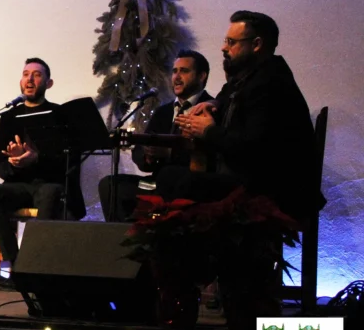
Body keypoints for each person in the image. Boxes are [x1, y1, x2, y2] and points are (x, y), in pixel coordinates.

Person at [170, 11, 321, 221]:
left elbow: (253, 148)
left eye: (231, 42)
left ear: (257, 44)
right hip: (252, 180)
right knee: (170, 176)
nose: (224, 48)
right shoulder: (250, 76)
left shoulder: (271, 83)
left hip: (274, 189)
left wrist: (207, 130)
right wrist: (212, 103)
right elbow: (224, 95)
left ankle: (187, 252)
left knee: (187, 183)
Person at [0, 58, 85, 267]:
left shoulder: (59, 115)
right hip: (19, 186)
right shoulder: (9, 117)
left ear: (49, 83)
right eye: (26, 74)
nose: (29, 79)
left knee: (49, 193)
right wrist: (15, 164)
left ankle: (38, 263)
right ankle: (17, 262)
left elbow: (71, 160)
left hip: (51, 184)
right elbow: (1, 167)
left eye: (37, 75)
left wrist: (36, 159)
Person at [97, 50, 214, 221]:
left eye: (184, 71)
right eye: (174, 71)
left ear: (202, 76)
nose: (177, 77)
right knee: (110, 185)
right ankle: (124, 240)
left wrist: (167, 153)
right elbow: (139, 150)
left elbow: (209, 154)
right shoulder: (163, 112)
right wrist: (148, 155)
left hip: (187, 183)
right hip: (156, 182)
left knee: (172, 179)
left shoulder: (210, 108)